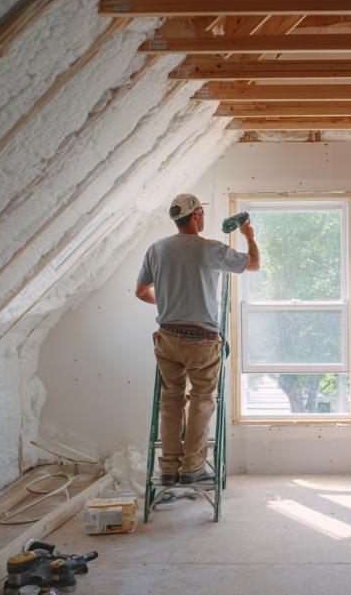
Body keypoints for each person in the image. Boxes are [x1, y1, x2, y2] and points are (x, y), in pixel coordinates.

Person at [135, 194, 259, 486]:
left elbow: (141, 292)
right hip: (201, 340)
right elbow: (252, 264)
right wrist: (248, 235)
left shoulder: (157, 249)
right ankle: (192, 469)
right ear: (196, 216)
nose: (203, 218)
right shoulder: (210, 249)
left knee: (171, 401)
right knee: (201, 401)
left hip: (166, 337)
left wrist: (170, 306)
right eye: (201, 213)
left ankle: (167, 469)